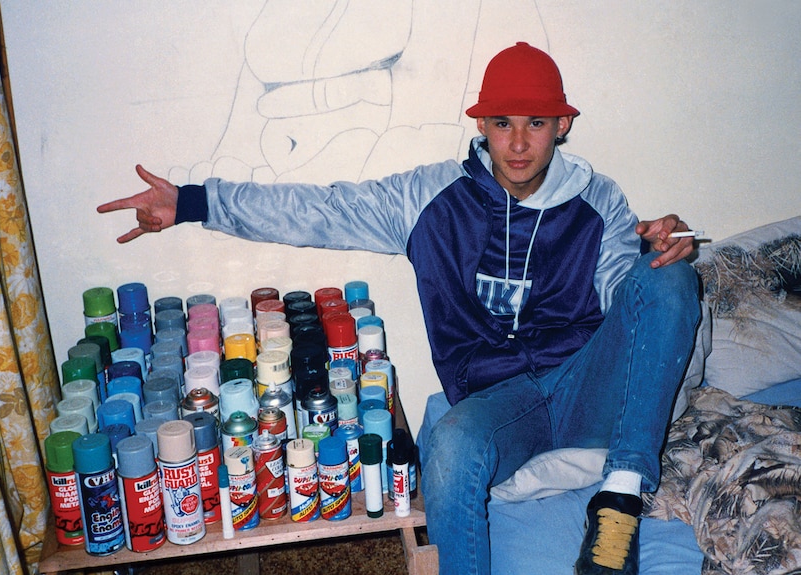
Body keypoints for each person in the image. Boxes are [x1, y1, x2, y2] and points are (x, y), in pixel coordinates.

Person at [98, 42, 700, 575]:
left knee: (671, 280)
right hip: (497, 402)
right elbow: (322, 211)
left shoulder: (601, 201)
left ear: (563, 127)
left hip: (582, 383)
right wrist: (193, 202)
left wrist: (657, 253)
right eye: (502, 123)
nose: (517, 143)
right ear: (482, 126)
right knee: (452, 446)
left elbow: (631, 302)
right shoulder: (429, 198)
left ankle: (620, 501)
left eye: (536, 123)